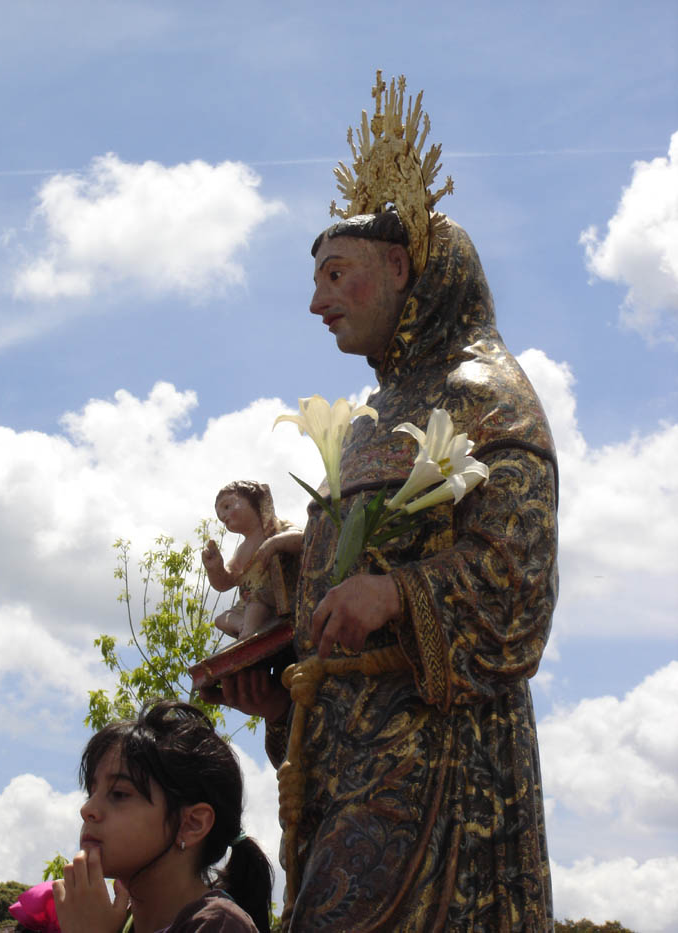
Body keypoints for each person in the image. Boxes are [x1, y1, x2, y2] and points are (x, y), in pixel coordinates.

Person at [222, 76, 558, 931]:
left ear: (402, 267)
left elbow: (516, 573)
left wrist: (398, 594)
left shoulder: (485, 392)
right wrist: (284, 635)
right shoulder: (374, 416)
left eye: (338, 274)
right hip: (344, 764)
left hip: (442, 778)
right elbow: (347, 572)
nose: (315, 301)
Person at [51, 699, 275, 933]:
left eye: (119, 794)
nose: (87, 809)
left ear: (193, 823)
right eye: (91, 792)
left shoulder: (219, 925)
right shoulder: (119, 925)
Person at [202, 481, 302, 639]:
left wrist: (276, 542)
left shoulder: (275, 527)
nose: (225, 518)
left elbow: (303, 540)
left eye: (227, 507)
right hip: (246, 605)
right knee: (221, 620)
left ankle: (248, 634)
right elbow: (225, 582)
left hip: (273, 595)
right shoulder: (241, 550)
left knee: (256, 601)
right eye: (222, 519)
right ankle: (244, 627)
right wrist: (215, 569)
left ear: (252, 500)